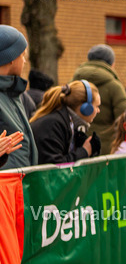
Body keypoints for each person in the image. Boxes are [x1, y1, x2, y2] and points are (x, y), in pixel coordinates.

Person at [74, 44, 126, 155]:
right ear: (112, 63)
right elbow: (125, 117)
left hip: (78, 145)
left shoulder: (74, 82)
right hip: (106, 147)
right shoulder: (115, 86)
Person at [29, 81, 102, 164]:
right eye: (97, 106)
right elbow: (55, 165)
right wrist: (84, 151)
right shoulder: (54, 124)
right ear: (86, 108)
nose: (98, 111)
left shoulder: (67, 123)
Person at [0, 26, 37, 169]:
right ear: (10, 58)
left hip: (21, 180)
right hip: (7, 181)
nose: (24, 61)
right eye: (22, 55)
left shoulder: (13, 92)